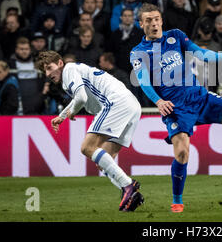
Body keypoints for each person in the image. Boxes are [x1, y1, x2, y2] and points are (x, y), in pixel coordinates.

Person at [130, 3, 222, 213]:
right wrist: (158, 101)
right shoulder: (138, 52)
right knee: (182, 152)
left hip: (200, 97)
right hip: (176, 109)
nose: (154, 23)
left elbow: (199, 53)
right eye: (148, 20)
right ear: (141, 24)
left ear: (161, 20)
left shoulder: (176, 36)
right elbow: (144, 81)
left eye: (156, 19)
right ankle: (177, 200)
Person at [35, 50, 144, 212]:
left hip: (116, 102)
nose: (48, 73)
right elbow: (79, 97)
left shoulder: (69, 70)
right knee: (104, 163)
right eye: (45, 71)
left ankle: (128, 185)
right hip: (132, 105)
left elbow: (81, 98)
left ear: (60, 63)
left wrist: (72, 112)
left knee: (87, 148)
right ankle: (130, 193)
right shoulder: (73, 73)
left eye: (49, 67)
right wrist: (62, 116)